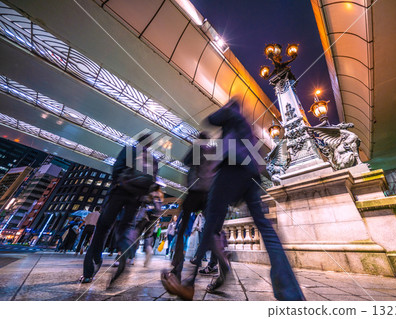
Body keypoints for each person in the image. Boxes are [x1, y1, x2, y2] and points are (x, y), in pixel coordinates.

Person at [165, 100, 306, 301]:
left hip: (231, 169)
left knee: (210, 224)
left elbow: (211, 120)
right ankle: (290, 291)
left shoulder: (231, 116)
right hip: (250, 174)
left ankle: (189, 284)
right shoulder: (246, 125)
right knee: (264, 226)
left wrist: (226, 109)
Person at [80, 133, 159, 283]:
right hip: (136, 199)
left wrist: (120, 182)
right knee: (126, 227)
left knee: (103, 228)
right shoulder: (153, 160)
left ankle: (90, 270)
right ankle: (125, 251)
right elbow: (153, 182)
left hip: (119, 192)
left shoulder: (130, 150)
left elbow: (117, 169)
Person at [161, 132, 217, 284]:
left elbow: (186, 161)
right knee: (212, 230)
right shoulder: (214, 151)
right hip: (208, 194)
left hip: (194, 192)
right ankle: (219, 261)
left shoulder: (197, 147)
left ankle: (177, 266)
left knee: (182, 227)